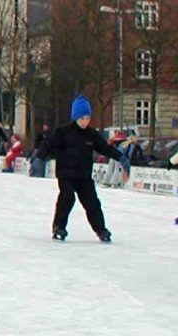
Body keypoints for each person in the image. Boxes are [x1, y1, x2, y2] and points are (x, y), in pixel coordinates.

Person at [46, 95, 126, 243]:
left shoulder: (92, 134)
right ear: (75, 117)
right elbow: (49, 144)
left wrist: (120, 157)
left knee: (92, 202)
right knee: (67, 198)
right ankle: (59, 226)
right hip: (66, 174)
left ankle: (101, 230)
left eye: (87, 118)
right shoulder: (63, 132)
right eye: (82, 118)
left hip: (83, 175)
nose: (85, 121)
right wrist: (39, 155)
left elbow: (105, 148)